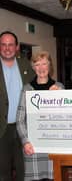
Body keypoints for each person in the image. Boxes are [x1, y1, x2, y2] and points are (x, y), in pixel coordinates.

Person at [16, 51, 64, 181]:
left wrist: (56, 98)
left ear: (50, 66)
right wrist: (25, 142)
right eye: (37, 64)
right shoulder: (27, 89)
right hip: (33, 146)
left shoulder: (59, 88)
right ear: (33, 67)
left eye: (44, 64)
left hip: (54, 145)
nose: (41, 68)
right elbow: (20, 120)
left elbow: (65, 118)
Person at [0, 31, 34, 181]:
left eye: (10, 44)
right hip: (2, 129)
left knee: (24, 171)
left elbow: (38, 83)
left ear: (17, 47)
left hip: (23, 128)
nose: (7, 48)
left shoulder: (25, 64)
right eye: (3, 44)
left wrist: (54, 87)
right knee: (3, 171)